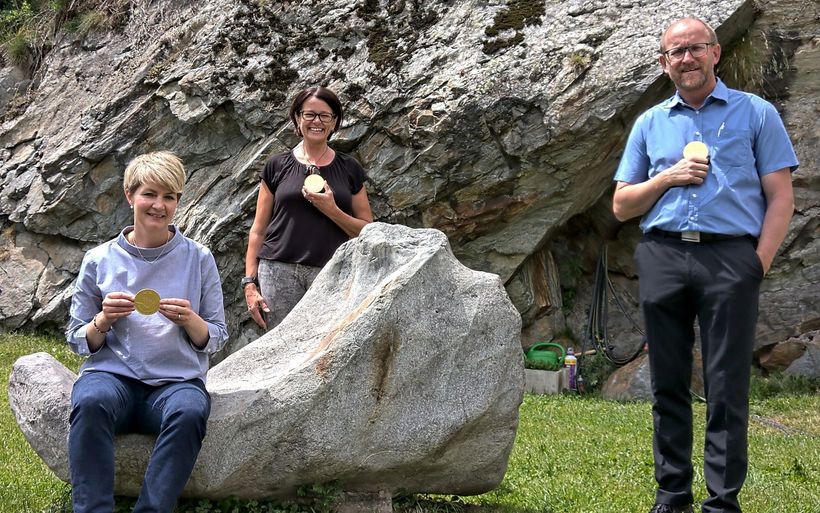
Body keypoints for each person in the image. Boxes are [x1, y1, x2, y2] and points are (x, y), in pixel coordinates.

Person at [612, 17, 798, 513]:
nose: (686, 58)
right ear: (664, 63)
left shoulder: (756, 114)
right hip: (664, 254)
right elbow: (622, 205)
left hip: (730, 256)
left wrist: (757, 263)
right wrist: (667, 178)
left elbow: (781, 198)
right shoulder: (650, 123)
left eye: (695, 47)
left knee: (726, 383)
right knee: (668, 381)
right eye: (676, 52)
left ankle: (722, 501)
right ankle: (672, 495)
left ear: (715, 52)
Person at [65, 151, 229, 513]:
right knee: (90, 400)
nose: (159, 205)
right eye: (150, 194)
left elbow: (217, 335)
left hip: (176, 382)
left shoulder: (199, 258)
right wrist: (103, 320)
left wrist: (190, 320)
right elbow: (77, 339)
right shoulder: (99, 259)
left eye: (169, 197)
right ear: (130, 195)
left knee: (190, 410)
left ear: (178, 202)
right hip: (113, 377)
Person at [244, 86, 373, 329]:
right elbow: (258, 230)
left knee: (328, 345)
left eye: (325, 116)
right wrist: (249, 283)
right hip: (277, 271)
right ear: (297, 118)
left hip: (331, 272)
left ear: (334, 122)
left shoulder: (349, 168)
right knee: (281, 345)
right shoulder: (276, 165)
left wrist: (332, 210)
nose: (317, 121)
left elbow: (367, 231)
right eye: (309, 114)